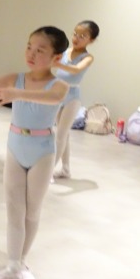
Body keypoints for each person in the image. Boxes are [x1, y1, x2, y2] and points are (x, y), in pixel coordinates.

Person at [0, 26, 69, 279]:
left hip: (42, 152)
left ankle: (20, 262)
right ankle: (13, 266)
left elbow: (52, 97)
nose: (31, 54)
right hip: (15, 147)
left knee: (32, 211)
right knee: (14, 209)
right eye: (29, 47)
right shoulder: (15, 78)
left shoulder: (60, 86)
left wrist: (17, 94)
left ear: (56, 58)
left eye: (40, 50)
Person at [52, 20, 100, 180]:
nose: (76, 38)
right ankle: (65, 169)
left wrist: (57, 63)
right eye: (75, 34)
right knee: (63, 135)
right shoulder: (65, 52)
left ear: (91, 40)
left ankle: (48, 171)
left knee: (61, 135)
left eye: (82, 36)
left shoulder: (88, 58)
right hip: (58, 95)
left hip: (72, 98)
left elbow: (76, 69)